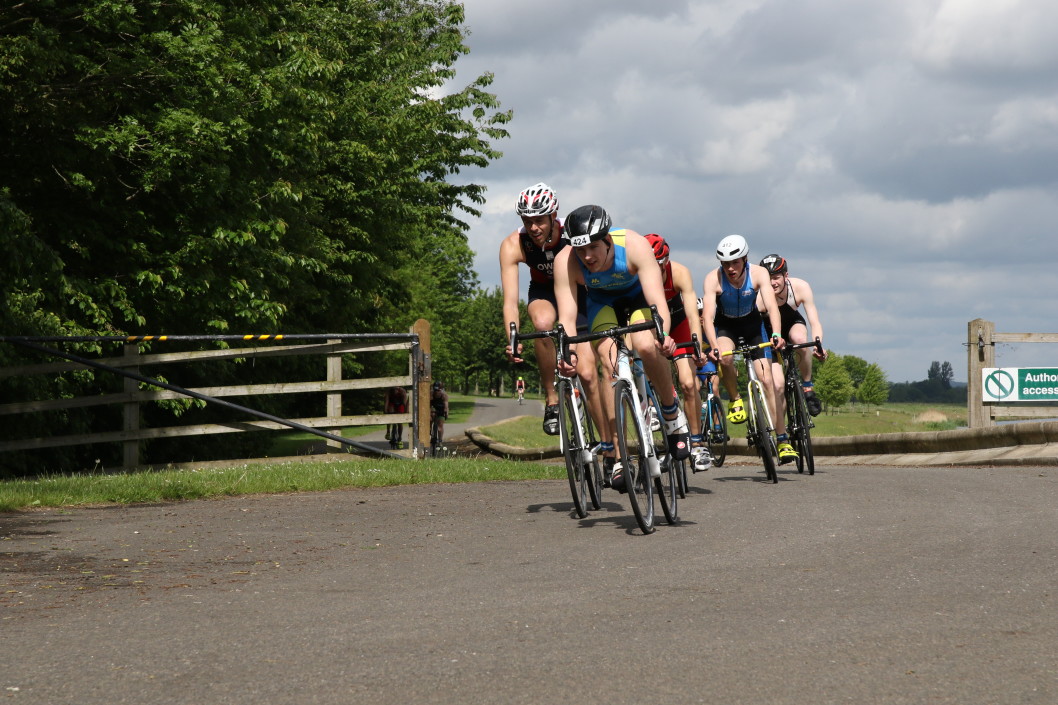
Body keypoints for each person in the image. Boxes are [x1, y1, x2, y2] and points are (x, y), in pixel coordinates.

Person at [554, 205, 691, 492]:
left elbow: (658, 305)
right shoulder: (566, 260)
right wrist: (567, 354)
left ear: (607, 241)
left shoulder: (634, 246)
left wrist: (663, 334)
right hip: (601, 303)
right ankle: (619, 457)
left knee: (646, 344)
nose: (587, 256)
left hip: (639, 299)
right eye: (581, 250)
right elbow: (567, 317)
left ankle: (671, 415)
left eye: (593, 247)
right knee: (609, 363)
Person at [500, 182, 605, 441]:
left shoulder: (571, 235)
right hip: (544, 291)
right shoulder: (514, 244)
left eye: (539, 220)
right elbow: (510, 302)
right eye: (527, 220)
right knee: (543, 324)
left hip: (578, 292)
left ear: (553, 216)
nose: (533, 227)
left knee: (588, 369)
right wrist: (511, 339)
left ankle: (608, 441)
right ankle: (552, 399)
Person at [701, 234, 797, 464]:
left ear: (744, 259)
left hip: (753, 326)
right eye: (725, 264)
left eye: (734, 263)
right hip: (726, 327)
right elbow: (707, 316)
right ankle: (735, 398)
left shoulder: (758, 273)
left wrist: (775, 333)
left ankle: (783, 441)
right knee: (724, 359)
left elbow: (772, 307)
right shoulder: (712, 279)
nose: (730, 268)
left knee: (768, 382)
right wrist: (713, 346)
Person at [644, 234, 710, 472]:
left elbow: (693, 315)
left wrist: (698, 346)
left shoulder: (679, 272)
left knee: (688, 383)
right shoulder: (635, 274)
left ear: (666, 263)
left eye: (658, 267)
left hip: (680, 323)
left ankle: (697, 443)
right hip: (652, 324)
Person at [757, 254, 827, 417]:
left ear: (785, 276)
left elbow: (814, 321)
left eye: (776, 278)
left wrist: (818, 345)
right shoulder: (759, 298)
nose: (772, 283)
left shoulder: (800, 287)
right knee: (778, 386)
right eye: (768, 279)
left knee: (800, 340)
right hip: (768, 332)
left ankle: (808, 387)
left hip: (791, 323)